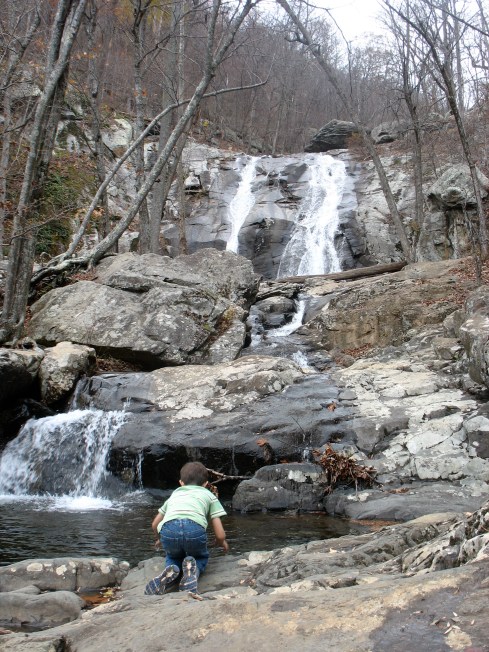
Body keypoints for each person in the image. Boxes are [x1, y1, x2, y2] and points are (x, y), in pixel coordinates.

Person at [146, 461, 229, 596]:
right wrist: (222, 542)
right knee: (199, 556)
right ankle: (192, 572)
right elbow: (220, 534)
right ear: (206, 484)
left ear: (181, 482)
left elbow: (155, 524)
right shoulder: (209, 495)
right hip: (194, 529)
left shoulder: (175, 494)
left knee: (173, 556)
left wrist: (159, 539)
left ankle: (170, 571)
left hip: (168, 529)